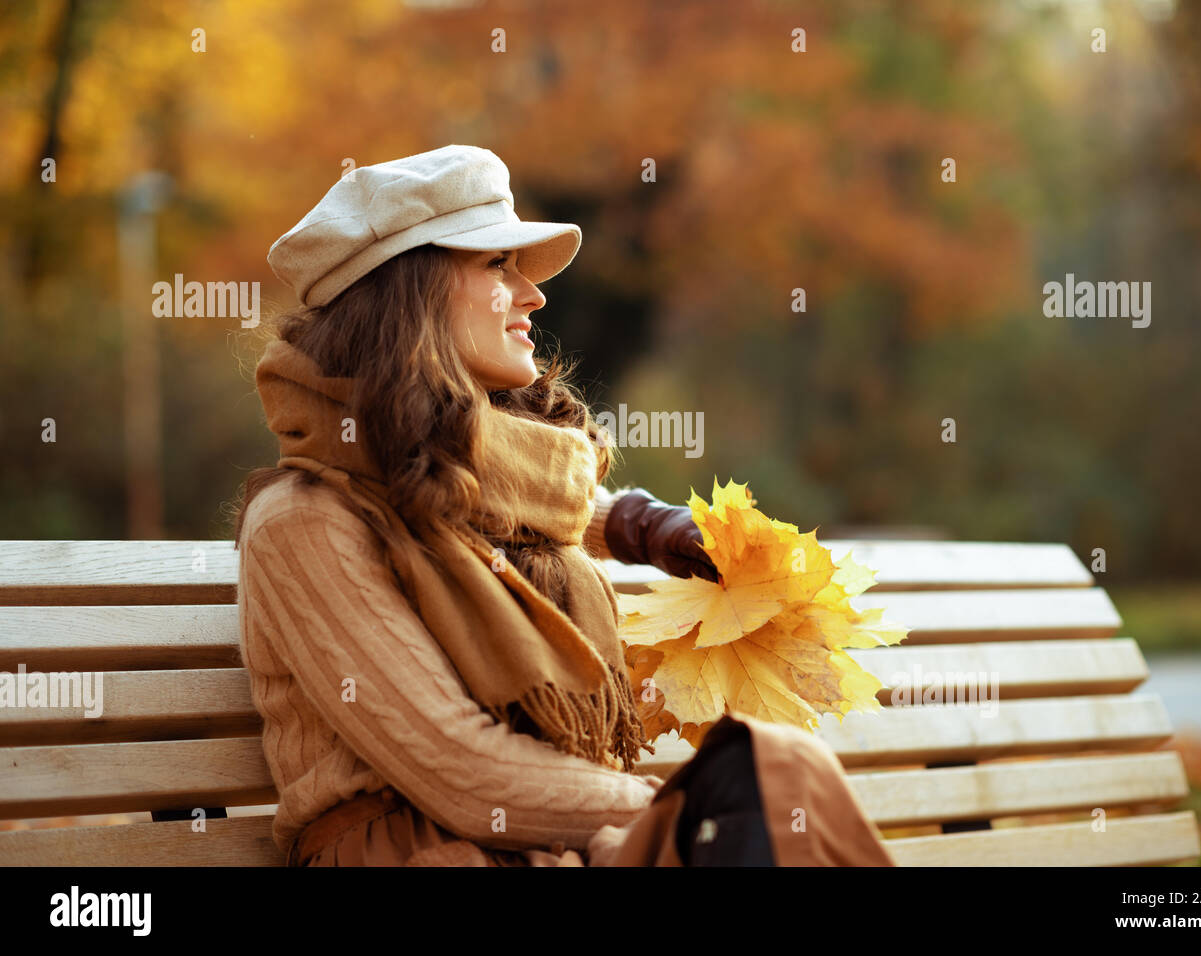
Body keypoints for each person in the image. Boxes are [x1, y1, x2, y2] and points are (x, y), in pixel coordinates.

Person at [233, 144, 896, 867]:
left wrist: (643, 526)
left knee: (783, 781)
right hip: (428, 853)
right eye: (496, 266)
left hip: (551, 844)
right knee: (766, 784)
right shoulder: (305, 524)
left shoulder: (446, 483)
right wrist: (685, 807)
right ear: (409, 293)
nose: (533, 296)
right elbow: (462, 774)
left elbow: (517, 501)